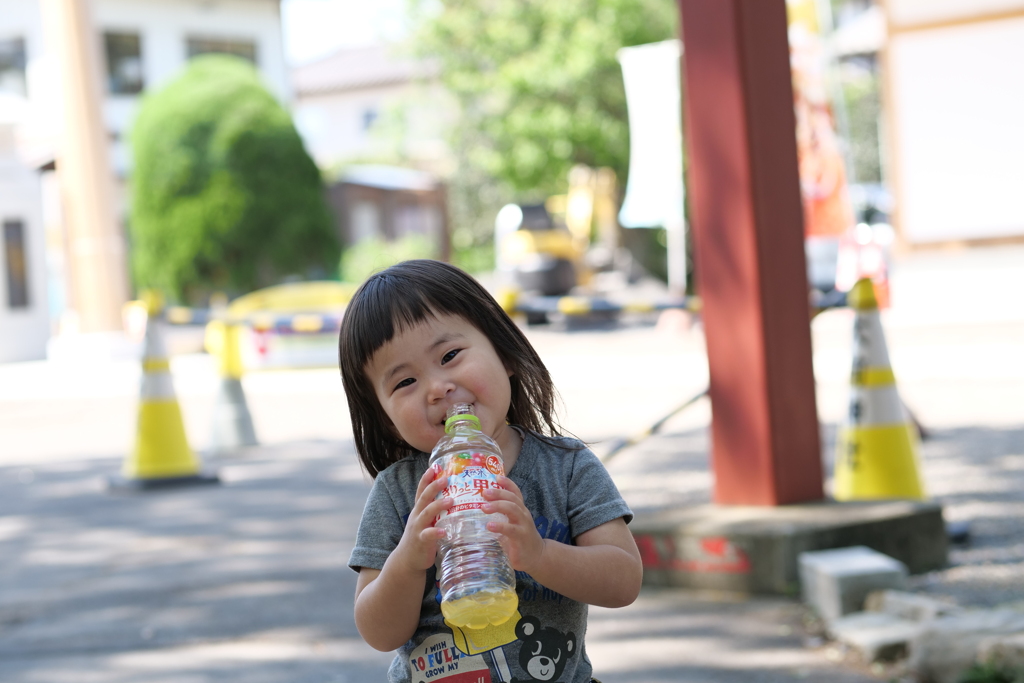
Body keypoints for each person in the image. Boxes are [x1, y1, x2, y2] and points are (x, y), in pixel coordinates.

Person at [339, 259, 642, 683]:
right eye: (404, 382)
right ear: (386, 418)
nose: (436, 388)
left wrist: (538, 555)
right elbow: (378, 631)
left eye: (449, 355)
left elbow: (623, 580)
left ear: (505, 354)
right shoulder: (400, 491)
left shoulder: (567, 467)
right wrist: (407, 562)